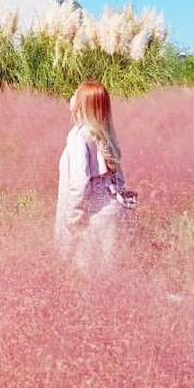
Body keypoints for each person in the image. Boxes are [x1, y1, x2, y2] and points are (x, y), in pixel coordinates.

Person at [54, 80, 127, 274]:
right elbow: (120, 179)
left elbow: (79, 184)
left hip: (92, 217)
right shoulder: (106, 133)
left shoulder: (79, 135)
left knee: (87, 278)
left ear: (81, 103)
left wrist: (72, 220)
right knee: (110, 275)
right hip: (114, 212)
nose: (71, 97)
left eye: (75, 94)